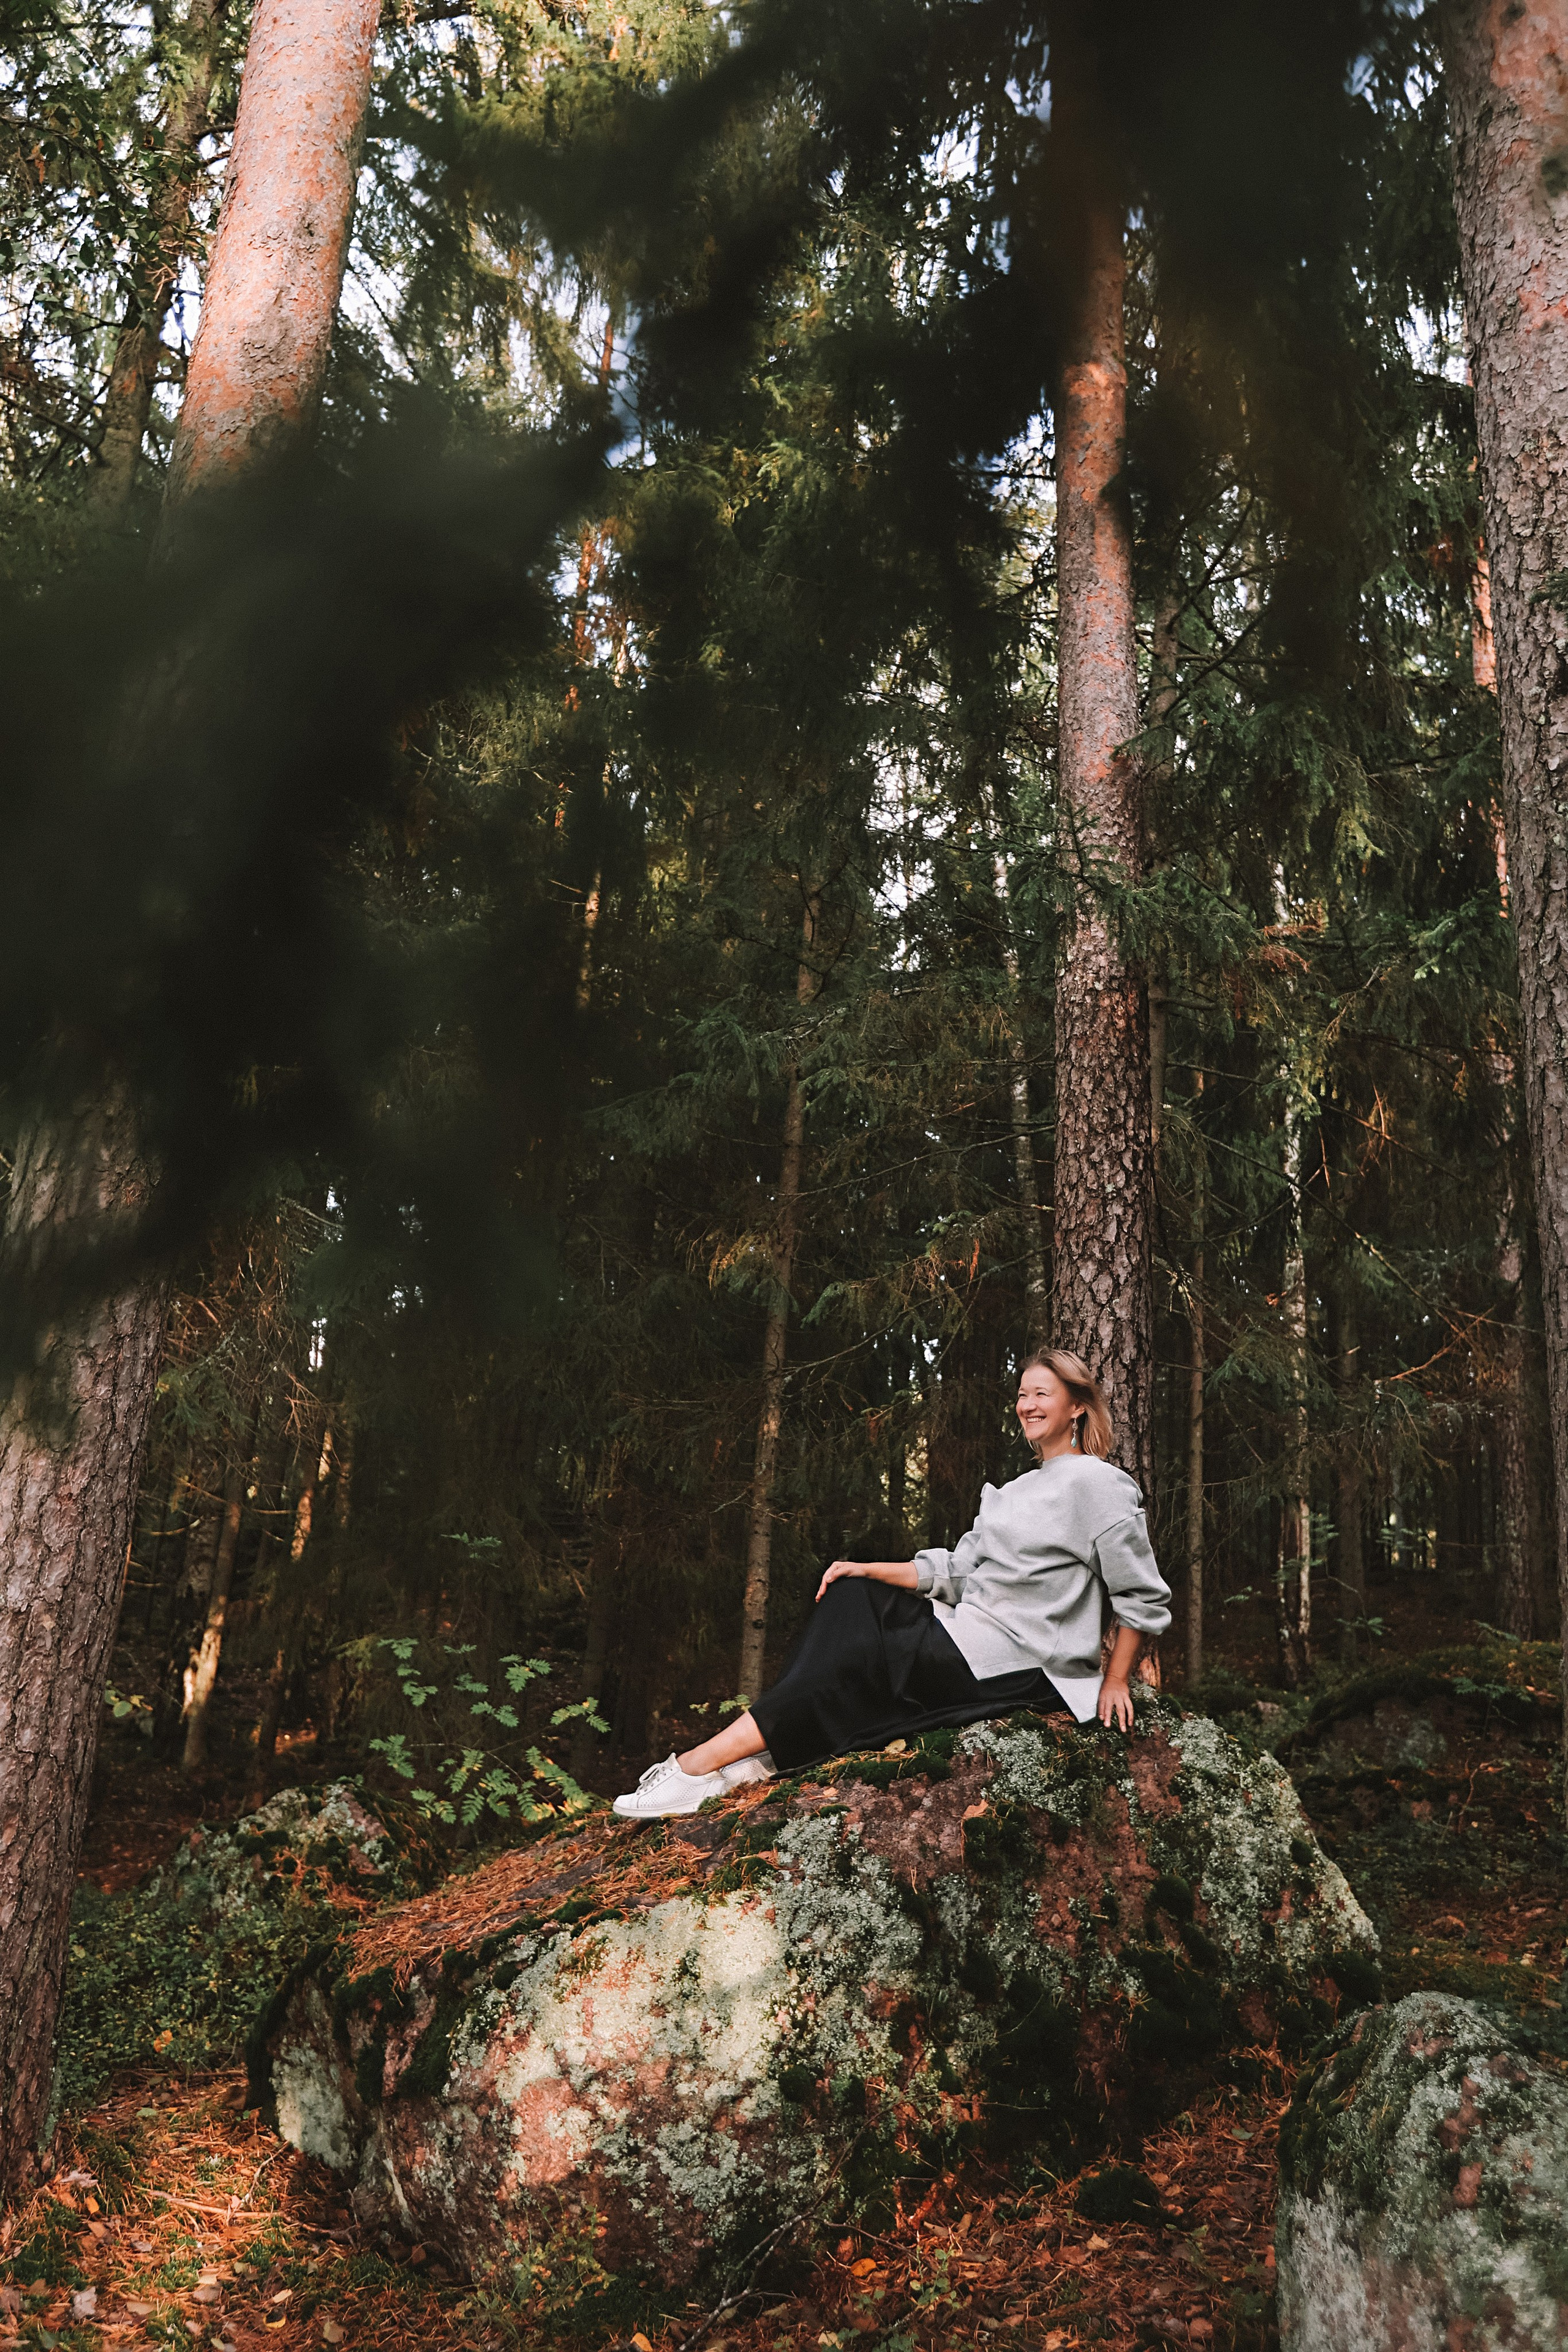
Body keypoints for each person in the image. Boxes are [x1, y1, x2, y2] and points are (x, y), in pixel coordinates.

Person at [611, 1348, 1172, 1820]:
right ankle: (751, 1758)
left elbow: (1142, 1595)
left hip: (1021, 1662)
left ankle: (697, 1765)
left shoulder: (1099, 1485)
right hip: (969, 1636)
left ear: (1077, 1405)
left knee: (861, 1638)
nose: (1026, 1405)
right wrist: (864, 1568)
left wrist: (1116, 1678)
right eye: (1022, 1394)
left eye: (1042, 1394)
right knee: (853, 1600)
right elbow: (956, 1569)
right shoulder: (1020, 1488)